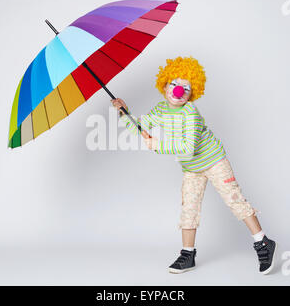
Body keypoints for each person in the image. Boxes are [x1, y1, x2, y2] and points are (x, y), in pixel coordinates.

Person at [111, 56, 277, 275]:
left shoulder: (190, 113)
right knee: (189, 207)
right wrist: (124, 112)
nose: (179, 91)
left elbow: (187, 147)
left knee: (234, 199)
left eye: (186, 88)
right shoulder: (161, 109)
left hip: (214, 161)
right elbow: (139, 129)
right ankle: (188, 254)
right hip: (191, 168)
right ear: (165, 84)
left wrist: (158, 145)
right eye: (174, 84)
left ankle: (263, 242)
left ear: (192, 92)